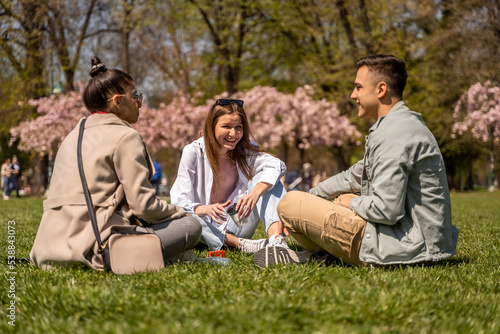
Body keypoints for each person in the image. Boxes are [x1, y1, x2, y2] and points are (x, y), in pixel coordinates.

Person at [255, 55, 459, 268]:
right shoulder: (396, 126)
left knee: (289, 203)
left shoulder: (396, 134)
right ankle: (324, 255)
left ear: (381, 90)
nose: (353, 95)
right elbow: (353, 177)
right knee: (302, 202)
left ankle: (326, 254)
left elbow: (387, 210)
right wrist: (312, 199)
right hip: (414, 241)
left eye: (358, 87)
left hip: (407, 247)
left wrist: (350, 202)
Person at [30, 57, 206, 271]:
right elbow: (144, 207)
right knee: (191, 225)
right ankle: (158, 258)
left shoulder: (71, 136)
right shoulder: (126, 136)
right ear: (118, 101)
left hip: (48, 250)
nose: (139, 103)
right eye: (135, 97)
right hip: (96, 249)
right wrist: (179, 212)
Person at [170, 99, 289, 253]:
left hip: (236, 220)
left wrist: (255, 193)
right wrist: (204, 209)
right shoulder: (193, 151)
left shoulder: (244, 151)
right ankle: (239, 244)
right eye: (226, 126)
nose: (233, 134)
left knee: (266, 180)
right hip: (204, 225)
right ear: (212, 127)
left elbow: (277, 165)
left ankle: (276, 242)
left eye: (238, 128)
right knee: (182, 216)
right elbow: (179, 201)